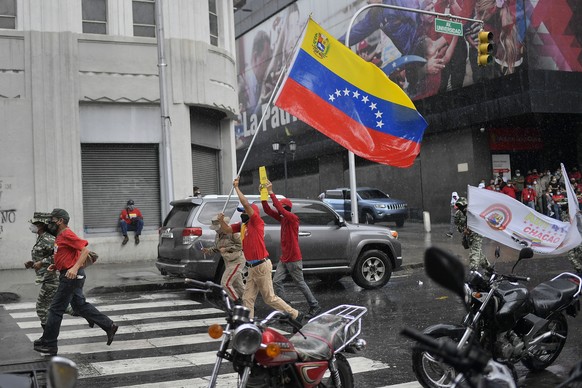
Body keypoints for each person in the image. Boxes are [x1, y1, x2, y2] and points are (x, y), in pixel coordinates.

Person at [216, 178, 303, 322]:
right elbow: (227, 229)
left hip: (262, 266)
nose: (242, 214)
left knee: (269, 298)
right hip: (251, 267)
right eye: (241, 212)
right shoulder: (243, 225)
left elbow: (245, 203)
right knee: (248, 298)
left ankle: (294, 314)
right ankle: (248, 324)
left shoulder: (256, 222)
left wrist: (237, 187)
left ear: (251, 213)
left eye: (244, 212)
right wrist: (221, 221)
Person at [33, 208, 118, 355]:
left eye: (52, 220)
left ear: (60, 221)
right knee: (79, 305)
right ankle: (109, 326)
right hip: (69, 274)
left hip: (71, 276)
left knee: (55, 309)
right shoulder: (59, 236)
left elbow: (84, 250)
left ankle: (50, 343)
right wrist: (57, 265)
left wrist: (74, 268)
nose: (49, 223)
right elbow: (66, 254)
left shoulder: (66, 233)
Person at [261, 180, 321, 319]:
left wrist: (271, 193)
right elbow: (268, 210)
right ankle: (286, 308)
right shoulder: (283, 218)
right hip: (285, 257)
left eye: (282, 208)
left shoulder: (293, 218)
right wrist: (264, 195)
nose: (279, 210)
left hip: (294, 257)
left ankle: (314, 305)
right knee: (276, 281)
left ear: (287, 209)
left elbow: (280, 210)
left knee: (300, 283)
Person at [25, 212, 72, 329]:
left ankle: (47, 338)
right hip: (46, 278)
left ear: (40, 225)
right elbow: (44, 256)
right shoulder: (42, 238)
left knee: (41, 308)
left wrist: (42, 262)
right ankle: (88, 314)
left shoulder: (49, 239)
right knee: (63, 307)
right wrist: (33, 263)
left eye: (33, 224)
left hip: (52, 278)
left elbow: (59, 255)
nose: (31, 226)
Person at [202, 215, 245, 302]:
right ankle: (249, 303)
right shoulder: (218, 235)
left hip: (236, 260)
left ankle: (236, 302)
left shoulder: (233, 233)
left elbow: (241, 245)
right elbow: (217, 247)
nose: (216, 230)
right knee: (238, 285)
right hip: (228, 261)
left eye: (217, 228)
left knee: (225, 283)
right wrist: (208, 250)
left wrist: (226, 249)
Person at [454, 197, 490, 271]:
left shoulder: (473, 212)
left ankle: (473, 270)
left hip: (477, 235)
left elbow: (481, 221)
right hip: (468, 236)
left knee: (474, 252)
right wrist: (463, 230)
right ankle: (488, 268)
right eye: (460, 206)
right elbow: (458, 225)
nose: (462, 208)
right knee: (478, 254)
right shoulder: (458, 214)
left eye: (464, 206)